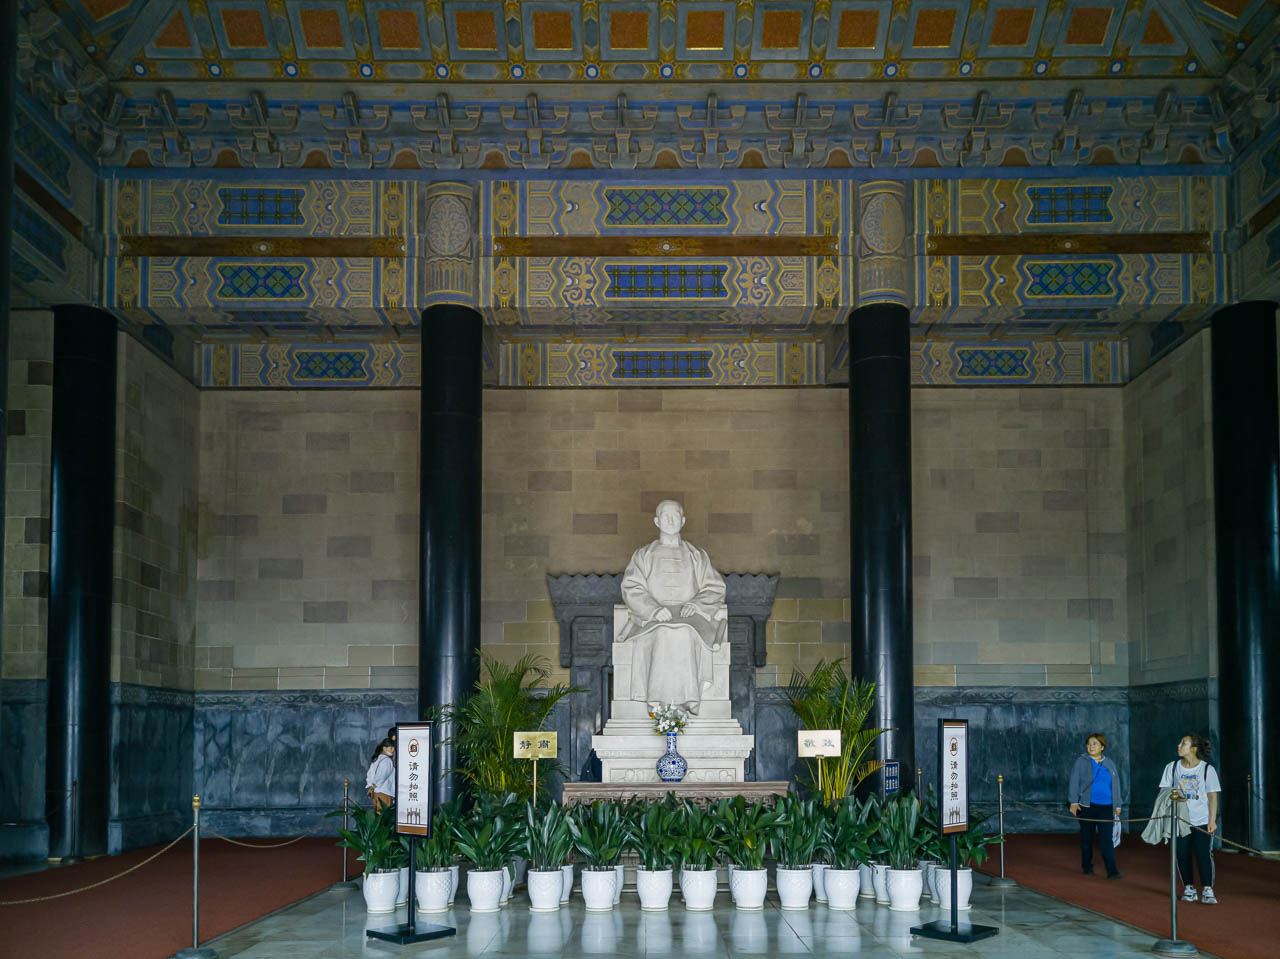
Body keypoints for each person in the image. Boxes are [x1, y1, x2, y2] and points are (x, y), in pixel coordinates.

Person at [618, 499, 728, 714]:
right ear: (656, 521)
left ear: (683, 520)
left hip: (691, 617)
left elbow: (715, 587)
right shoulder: (643, 555)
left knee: (687, 633)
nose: (670, 520)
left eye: (675, 515)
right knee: (664, 633)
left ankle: (689, 698)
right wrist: (653, 609)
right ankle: (657, 699)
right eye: (665, 516)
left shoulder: (697, 555)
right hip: (652, 619)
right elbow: (631, 586)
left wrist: (696, 605)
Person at [1159, 733, 1220, 904]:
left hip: (1201, 820)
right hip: (1180, 820)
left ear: (1193, 748)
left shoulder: (1207, 769)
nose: (1179, 745)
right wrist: (1177, 796)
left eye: (1183, 743)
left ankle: (1207, 889)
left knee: (1203, 854)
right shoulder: (1172, 767)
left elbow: (1212, 797)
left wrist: (1212, 820)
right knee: (1182, 854)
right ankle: (1189, 887)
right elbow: (1164, 791)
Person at [1068, 732, 1124, 879]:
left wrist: (1118, 804)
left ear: (1102, 747)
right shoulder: (1081, 761)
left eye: (1095, 744)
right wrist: (1073, 802)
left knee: (1107, 840)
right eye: (1089, 744)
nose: (1091, 746)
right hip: (1087, 806)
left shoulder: (1109, 763)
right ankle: (1087, 867)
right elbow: (1074, 781)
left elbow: (1116, 784)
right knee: (1087, 838)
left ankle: (1112, 871)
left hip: (1107, 807)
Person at [365, 737, 395, 811]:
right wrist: (376, 784)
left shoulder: (377, 759)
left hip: (375, 792)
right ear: (384, 748)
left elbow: (370, 774)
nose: (393, 750)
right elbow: (383, 775)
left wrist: (371, 786)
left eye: (393, 748)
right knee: (385, 817)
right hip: (384, 792)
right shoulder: (387, 760)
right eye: (391, 747)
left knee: (378, 815)